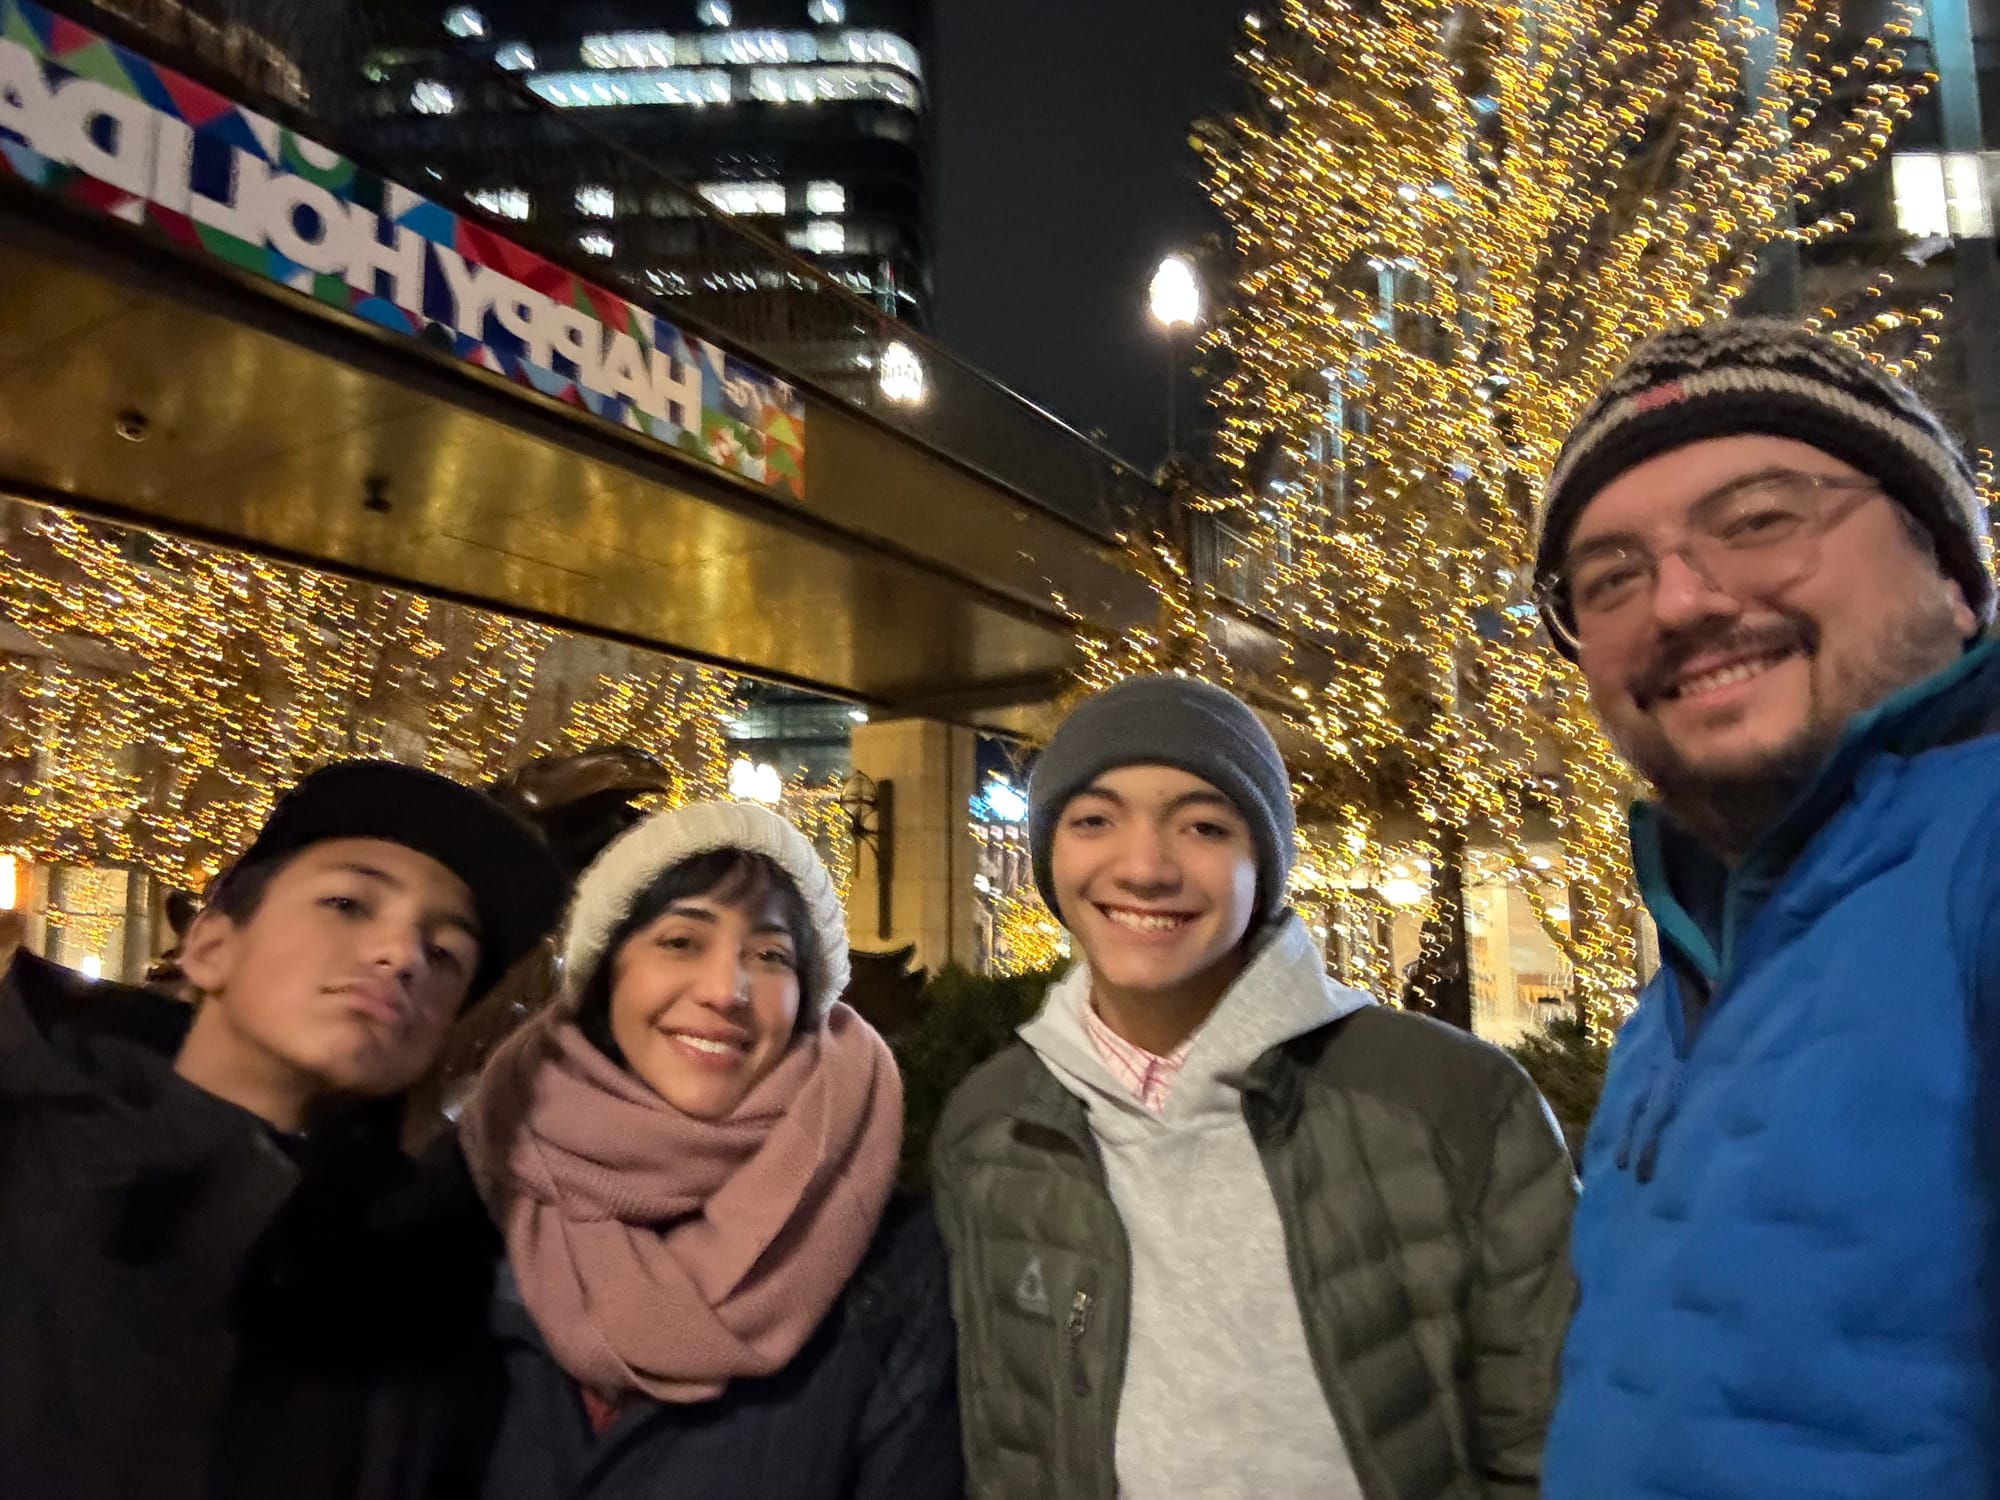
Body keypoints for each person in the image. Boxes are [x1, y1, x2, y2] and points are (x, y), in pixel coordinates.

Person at [1530, 319, 2000, 1498]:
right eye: (1609, 577)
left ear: (1951, 575)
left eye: (1756, 521)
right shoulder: (1691, 974)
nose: (1677, 602)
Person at [930, 675, 1576, 1500]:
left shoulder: (1452, 1101)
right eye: (1094, 820)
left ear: (1263, 863)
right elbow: (1002, 1439)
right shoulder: (993, 1124)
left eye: (1203, 826)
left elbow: (1554, 1442)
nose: (1145, 868)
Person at [0, 758, 566, 1500]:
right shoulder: (26, 1162)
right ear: (210, 946)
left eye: (445, 955)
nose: (401, 956)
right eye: (348, 904)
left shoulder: (426, 1291)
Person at [455, 800, 961, 1500]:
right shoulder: (471, 1203)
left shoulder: (900, 1268)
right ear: (606, 972)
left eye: (771, 956)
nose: (727, 991)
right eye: (681, 942)